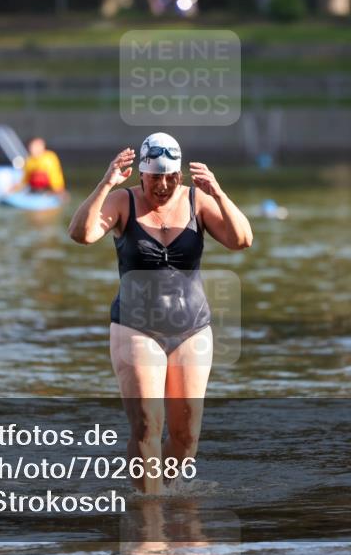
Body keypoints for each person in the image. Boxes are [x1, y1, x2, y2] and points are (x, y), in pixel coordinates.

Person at [67, 133, 252, 494]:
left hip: (192, 329)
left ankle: (159, 496)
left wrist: (219, 193)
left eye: (170, 178)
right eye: (155, 178)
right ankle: (149, 519)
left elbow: (241, 240)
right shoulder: (123, 201)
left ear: (180, 176)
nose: (163, 186)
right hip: (136, 328)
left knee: (186, 436)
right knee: (148, 425)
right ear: (141, 175)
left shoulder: (197, 201)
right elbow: (81, 234)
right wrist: (106, 183)